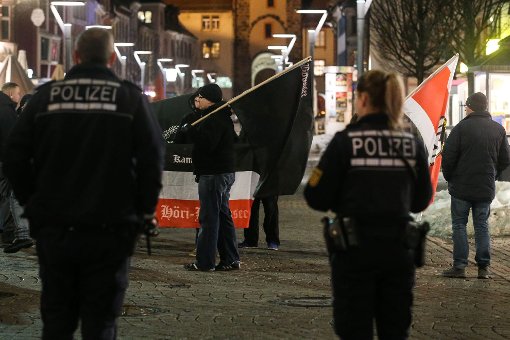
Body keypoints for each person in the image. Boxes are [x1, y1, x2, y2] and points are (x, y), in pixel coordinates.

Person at [2, 28, 164, 339]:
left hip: (56, 227)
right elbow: (152, 159)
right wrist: (143, 211)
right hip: (111, 228)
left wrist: (33, 204)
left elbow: (14, 157)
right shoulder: (128, 98)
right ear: (112, 58)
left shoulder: (47, 98)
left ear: (75, 56)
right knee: (100, 322)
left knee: (57, 320)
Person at [304, 70, 432, 339]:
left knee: (354, 329)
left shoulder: (346, 142)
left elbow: (316, 196)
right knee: (394, 329)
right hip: (398, 250)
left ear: (362, 98)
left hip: (354, 251)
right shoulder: (410, 144)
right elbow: (421, 200)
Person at [441, 92, 510, 280]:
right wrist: (492, 174)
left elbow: (448, 157)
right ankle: (484, 268)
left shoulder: (461, 128)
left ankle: (460, 266)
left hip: (461, 187)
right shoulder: (498, 130)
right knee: (482, 226)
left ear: (470, 107)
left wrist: (450, 177)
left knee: (459, 225)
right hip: (484, 186)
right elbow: (505, 159)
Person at [182, 83, 240, 272]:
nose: (197, 100)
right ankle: (230, 259)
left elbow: (207, 145)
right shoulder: (222, 117)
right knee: (223, 216)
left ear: (209, 99)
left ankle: (205, 262)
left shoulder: (213, 118)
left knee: (209, 218)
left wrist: (191, 132)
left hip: (213, 174)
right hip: (223, 172)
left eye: (200, 97)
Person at [0, 82, 33, 253]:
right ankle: (16, 233)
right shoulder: (8, 111)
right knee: (10, 196)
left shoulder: (8, 110)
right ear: (11, 94)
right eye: (18, 93)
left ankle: (20, 233)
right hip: (8, 160)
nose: (19, 97)